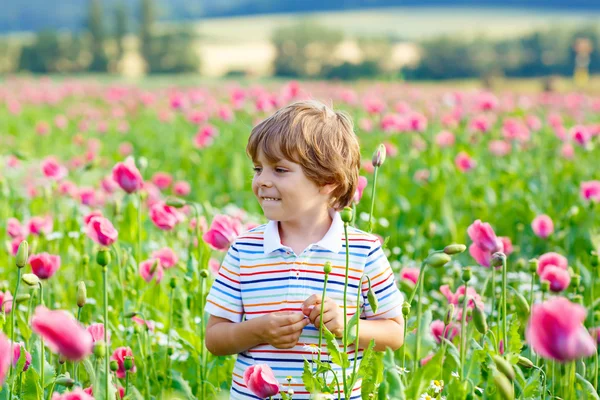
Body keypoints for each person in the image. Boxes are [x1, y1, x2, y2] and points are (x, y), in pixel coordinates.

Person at [205, 100, 405, 399]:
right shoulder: (244, 250)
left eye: (280, 170)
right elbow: (215, 339)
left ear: (328, 181)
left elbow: (394, 334)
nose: (262, 181)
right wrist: (259, 330)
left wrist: (348, 327)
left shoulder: (362, 251)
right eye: (258, 168)